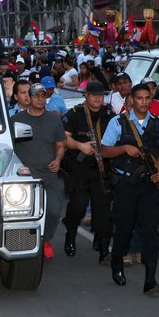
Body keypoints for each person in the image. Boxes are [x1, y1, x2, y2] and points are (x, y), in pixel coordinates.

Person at [101, 83, 159, 294]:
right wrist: (124, 148)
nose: (144, 102)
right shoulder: (118, 122)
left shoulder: (157, 124)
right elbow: (104, 151)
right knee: (124, 228)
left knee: (150, 231)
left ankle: (151, 278)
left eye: (147, 98)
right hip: (125, 185)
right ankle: (117, 262)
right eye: (140, 98)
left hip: (148, 185)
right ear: (132, 100)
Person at [61, 81, 115, 262]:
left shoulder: (109, 115)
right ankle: (70, 233)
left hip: (101, 167)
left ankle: (103, 246)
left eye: (100, 95)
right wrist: (80, 146)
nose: (98, 99)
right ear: (86, 95)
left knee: (103, 208)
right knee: (78, 205)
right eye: (94, 95)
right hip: (79, 168)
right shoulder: (75, 114)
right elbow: (63, 139)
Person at [11, 83, 65, 259]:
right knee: (23, 214)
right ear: (30, 97)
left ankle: (45, 239)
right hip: (25, 177)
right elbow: (9, 148)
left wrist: (58, 160)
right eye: (36, 95)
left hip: (48, 175)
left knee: (54, 211)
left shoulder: (54, 120)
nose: (40, 99)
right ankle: (25, 242)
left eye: (43, 96)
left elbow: (60, 145)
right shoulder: (16, 120)